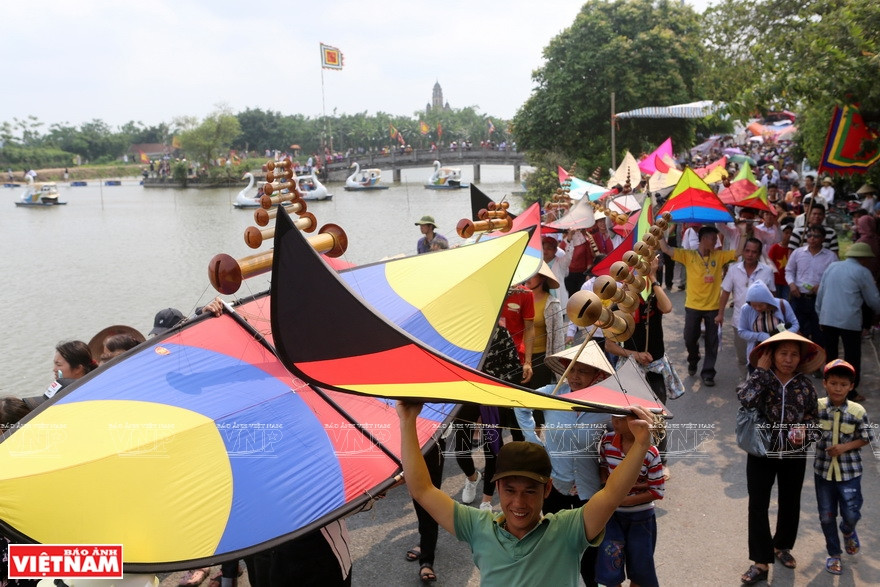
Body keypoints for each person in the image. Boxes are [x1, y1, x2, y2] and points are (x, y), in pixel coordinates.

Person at [396, 398, 657, 586]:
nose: (518, 502)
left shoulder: (570, 530)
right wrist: (407, 422)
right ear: (497, 487)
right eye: (510, 490)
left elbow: (611, 495)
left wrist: (641, 443)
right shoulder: (477, 526)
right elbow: (422, 489)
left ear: (547, 490)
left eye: (530, 491)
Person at [514, 342, 613, 587]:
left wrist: (607, 466)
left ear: (596, 375)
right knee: (557, 545)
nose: (576, 377)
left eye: (583, 371)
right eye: (572, 369)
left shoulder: (605, 406)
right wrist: (535, 443)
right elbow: (520, 404)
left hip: (590, 489)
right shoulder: (552, 392)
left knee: (590, 550)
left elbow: (618, 436)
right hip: (555, 485)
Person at [736, 331, 825, 585]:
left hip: (794, 453)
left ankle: (782, 546)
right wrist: (761, 373)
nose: (788, 359)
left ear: (801, 358)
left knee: (790, 500)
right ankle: (760, 561)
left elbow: (815, 422)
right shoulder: (759, 379)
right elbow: (744, 399)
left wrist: (806, 433)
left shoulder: (805, 385)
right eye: (783, 353)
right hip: (761, 450)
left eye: (794, 354)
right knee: (758, 503)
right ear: (771, 355)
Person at [605, 254, 674, 477]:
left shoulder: (652, 296)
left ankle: (661, 461)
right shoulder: (618, 305)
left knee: (658, 415)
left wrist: (653, 278)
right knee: (630, 416)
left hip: (655, 366)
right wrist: (633, 354)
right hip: (631, 367)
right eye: (628, 275)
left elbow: (669, 307)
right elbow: (609, 345)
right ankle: (633, 458)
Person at [658, 225, 742, 386]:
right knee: (689, 338)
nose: (716, 241)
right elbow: (666, 249)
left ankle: (708, 373)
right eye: (713, 238)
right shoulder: (688, 255)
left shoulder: (719, 256)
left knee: (712, 342)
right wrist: (660, 232)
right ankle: (693, 358)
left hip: (713, 308)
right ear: (703, 239)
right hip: (693, 306)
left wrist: (744, 233)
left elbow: (738, 253)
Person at [813, 359, 873, 576]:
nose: (838, 388)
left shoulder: (857, 411)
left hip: (850, 474)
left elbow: (867, 437)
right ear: (825, 383)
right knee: (826, 516)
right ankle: (834, 554)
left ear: (851, 386)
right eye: (834, 383)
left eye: (843, 384)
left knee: (851, 512)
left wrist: (845, 447)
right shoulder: (817, 407)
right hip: (823, 473)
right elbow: (808, 429)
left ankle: (848, 531)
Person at [595, 414, 665, 587]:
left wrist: (625, 501)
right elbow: (603, 465)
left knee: (641, 570)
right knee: (610, 567)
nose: (615, 422)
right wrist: (607, 486)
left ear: (639, 421)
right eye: (613, 417)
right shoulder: (607, 441)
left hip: (641, 519)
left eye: (622, 419)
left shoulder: (650, 452)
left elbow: (658, 490)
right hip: (612, 517)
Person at [816, 242, 880, 401]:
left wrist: (820, 314)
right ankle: (849, 391)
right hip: (849, 321)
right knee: (852, 357)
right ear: (863, 259)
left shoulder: (832, 267)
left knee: (831, 356)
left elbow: (821, 293)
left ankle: (830, 389)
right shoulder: (863, 271)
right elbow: (873, 300)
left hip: (827, 317)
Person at [717, 238, 775, 369]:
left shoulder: (767, 271)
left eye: (754, 252)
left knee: (762, 355)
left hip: (762, 322)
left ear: (759, 254)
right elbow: (725, 292)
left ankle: (758, 381)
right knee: (742, 356)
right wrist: (720, 314)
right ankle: (744, 380)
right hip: (740, 321)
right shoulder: (733, 270)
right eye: (747, 251)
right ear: (743, 252)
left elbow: (773, 295)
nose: (750, 254)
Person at [785, 224, 838, 348]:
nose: (812, 239)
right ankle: (799, 361)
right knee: (797, 331)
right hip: (799, 298)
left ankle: (816, 362)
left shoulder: (831, 257)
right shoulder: (798, 253)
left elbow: (834, 277)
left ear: (823, 239)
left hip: (819, 300)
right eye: (809, 235)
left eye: (816, 236)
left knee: (818, 333)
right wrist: (792, 284)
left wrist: (822, 286)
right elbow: (789, 271)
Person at [737, 281, 799, 368]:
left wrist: (783, 336)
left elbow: (795, 325)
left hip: (781, 352)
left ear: (768, 301)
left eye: (761, 305)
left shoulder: (783, 304)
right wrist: (761, 336)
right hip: (758, 353)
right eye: (754, 305)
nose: (757, 308)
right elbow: (742, 332)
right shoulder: (746, 309)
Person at [523, 261, 565, 389]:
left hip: (541, 359)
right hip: (519, 356)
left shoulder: (552, 304)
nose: (528, 277)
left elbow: (558, 339)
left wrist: (559, 367)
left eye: (534, 274)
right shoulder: (518, 298)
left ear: (542, 279)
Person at [767, 220, 794, 299]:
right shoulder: (775, 247)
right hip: (776, 280)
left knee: (786, 300)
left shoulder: (793, 249)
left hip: (787, 281)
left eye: (791, 233)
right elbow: (769, 262)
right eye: (786, 233)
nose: (788, 235)